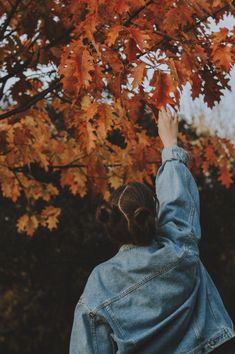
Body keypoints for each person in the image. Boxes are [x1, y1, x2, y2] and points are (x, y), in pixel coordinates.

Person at [69, 107, 235, 354]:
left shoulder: (100, 283)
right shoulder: (180, 248)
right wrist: (170, 144)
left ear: (112, 227)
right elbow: (177, 202)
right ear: (154, 214)